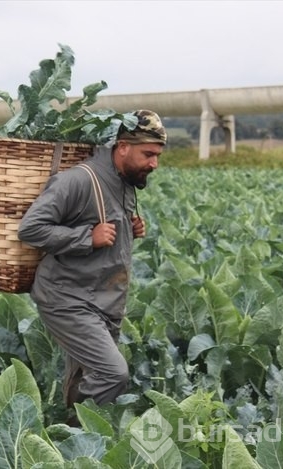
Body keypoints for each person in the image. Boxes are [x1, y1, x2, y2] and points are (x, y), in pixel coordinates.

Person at [17, 110, 167, 415]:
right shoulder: (77, 180)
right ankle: (78, 432)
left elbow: (106, 228)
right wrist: (87, 237)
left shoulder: (124, 180)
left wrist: (130, 229)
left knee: (87, 373)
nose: (154, 164)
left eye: (157, 156)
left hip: (104, 300)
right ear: (122, 147)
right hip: (67, 298)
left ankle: (70, 445)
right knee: (113, 373)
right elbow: (30, 229)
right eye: (148, 154)